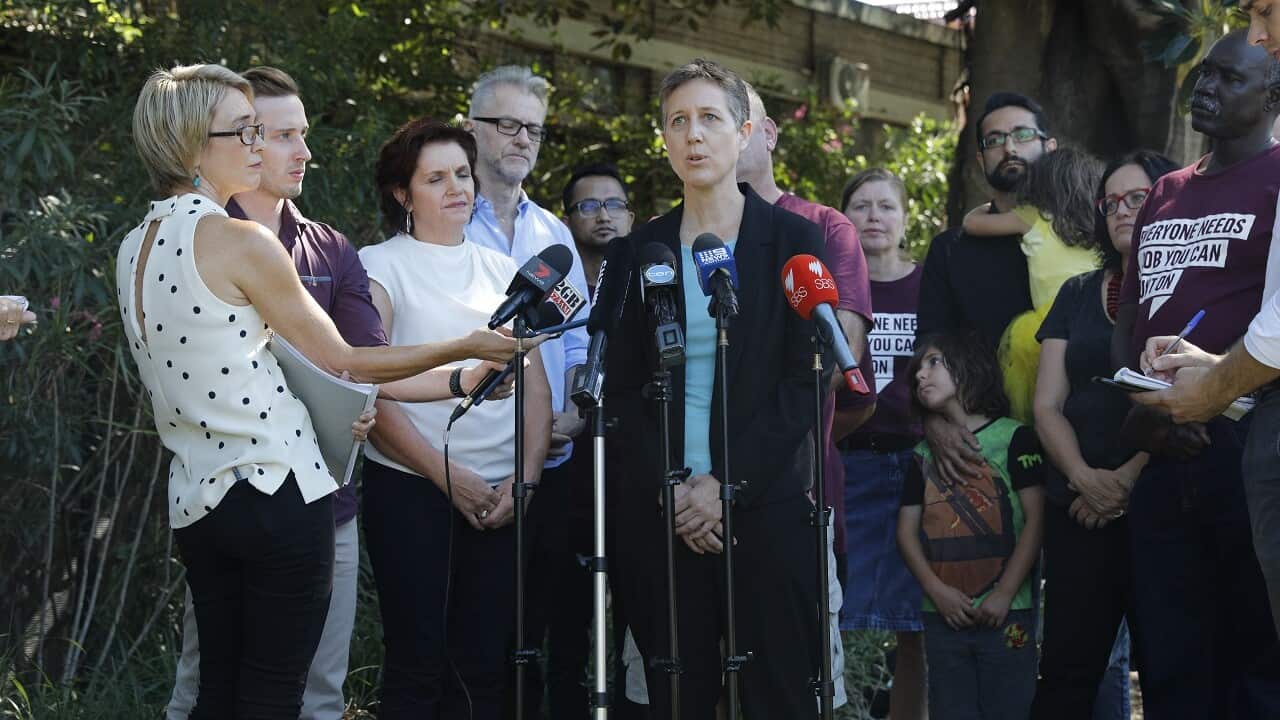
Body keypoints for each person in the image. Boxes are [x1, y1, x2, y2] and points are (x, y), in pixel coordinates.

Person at [122, 64, 518, 719]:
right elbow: (344, 363)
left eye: (295, 134)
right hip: (253, 497)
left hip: (314, 505)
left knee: (307, 696)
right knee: (221, 691)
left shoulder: (329, 250)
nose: (295, 151)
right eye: (268, 134)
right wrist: (462, 353)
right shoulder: (217, 240)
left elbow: (365, 369)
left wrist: (446, 382)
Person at [603, 57, 825, 717]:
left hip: (764, 510)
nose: (693, 135)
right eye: (678, 121)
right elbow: (618, 391)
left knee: (777, 697)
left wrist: (725, 486)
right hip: (664, 514)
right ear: (664, 139)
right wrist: (676, 488)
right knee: (678, 699)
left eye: (709, 118)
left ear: (745, 131)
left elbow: (801, 386)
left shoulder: (793, 240)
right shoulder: (635, 252)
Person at [359, 118, 553, 719]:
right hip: (414, 490)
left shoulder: (503, 272)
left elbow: (537, 389)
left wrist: (525, 481)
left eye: (463, 174)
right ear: (402, 193)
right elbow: (372, 387)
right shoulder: (378, 267)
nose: (456, 188)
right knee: (418, 665)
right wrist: (449, 478)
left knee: (487, 666)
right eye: (436, 177)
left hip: (503, 499)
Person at [1111, 29, 1280, 717]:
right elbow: (1129, 325)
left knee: (1256, 669)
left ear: (1272, 95)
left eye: (1228, 78)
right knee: (1170, 666)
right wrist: (1145, 412)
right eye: (1203, 73)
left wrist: (1213, 397)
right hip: (1160, 450)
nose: (1205, 87)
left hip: (1247, 448)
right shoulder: (1165, 193)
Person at [734, 81, 877, 712]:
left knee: (793, 690)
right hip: (686, 497)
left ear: (768, 134)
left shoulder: (823, 227)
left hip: (796, 493)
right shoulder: (665, 240)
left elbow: (839, 345)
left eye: (737, 120)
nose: (718, 133)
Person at [1029, 150, 1179, 720]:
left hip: (1159, 500)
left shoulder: (1186, 289)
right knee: (1067, 671)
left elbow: (1192, 399)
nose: (1122, 211)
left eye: (1137, 198)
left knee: (1169, 667)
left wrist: (1123, 483)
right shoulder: (1076, 293)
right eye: (1111, 201)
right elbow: (1047, 404)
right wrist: (1084, 480)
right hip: (1077, 506)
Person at [514, 162, 636, 720]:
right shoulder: (551, 282)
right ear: (567, 219)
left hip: (628, 470)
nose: (604, 215)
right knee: (555, 605)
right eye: (590, 205)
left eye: (615, 204)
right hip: (562, 464)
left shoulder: (646, 280)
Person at [897, 332, 1045, 720]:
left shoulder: (1016, 438)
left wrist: (1005, 592)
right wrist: (936, 591)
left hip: (1010, 611)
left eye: (934, 362)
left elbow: (1036, 521)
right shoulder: (920, 455)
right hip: (943, 615)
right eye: (916, 371)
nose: (920, 376)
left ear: (970, 369)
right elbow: (905, 532)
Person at [916, 92, 1052, 486]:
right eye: (994, 140)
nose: (1008, 147)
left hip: (1076, 436)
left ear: (1050, 146)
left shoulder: (1080, 237)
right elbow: (930, 342)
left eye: (1022, 134)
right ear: (980, 160)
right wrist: (934, 421)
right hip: (981, 446)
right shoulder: (951, 249)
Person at [837, 167, 927, 720]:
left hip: (920, 464)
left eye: (886, 206)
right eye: (862, 206)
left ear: (905, 217)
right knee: (840, 614)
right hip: (851, 461)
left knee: (916, 622)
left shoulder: (929, 283)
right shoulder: (834, 286)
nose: (874, 216)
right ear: (842, 218)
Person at [961, 147, 1104, 422]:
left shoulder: (1032, 216)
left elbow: (972, 223)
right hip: (1097, 317)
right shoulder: (1100, 223)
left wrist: (991, 203)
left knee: (1050, 405)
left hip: (1048, 327)